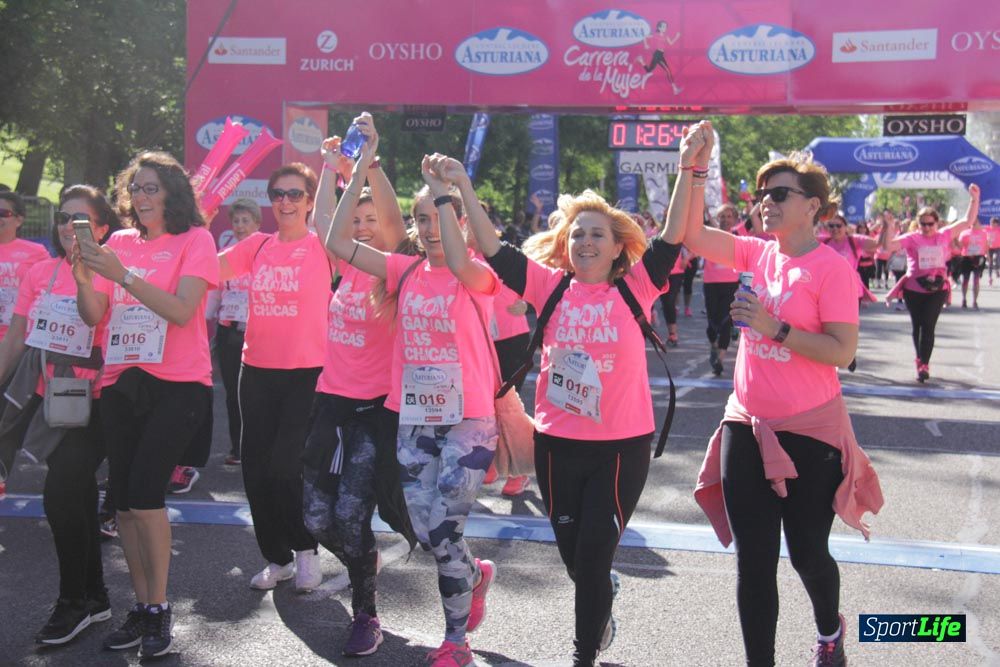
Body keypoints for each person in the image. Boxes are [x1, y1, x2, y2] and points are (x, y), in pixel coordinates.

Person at [450, 129, 685, 665]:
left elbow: (672, 237)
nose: (586, 243)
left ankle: (583, 654)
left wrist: (690, 169)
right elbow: (492, 248)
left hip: (622, 446)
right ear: (565, 244)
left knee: (596, 556)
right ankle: (602, 599)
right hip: (556, 445)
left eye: (597, 234)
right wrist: (462, 184)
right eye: (578, 235)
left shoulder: (636, 288)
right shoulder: (548, 287)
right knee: (579, 561)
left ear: (618, 244)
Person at [678, 126, 883, 667]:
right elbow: (689, 234)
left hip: (811, 431)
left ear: (812, 206)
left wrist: (776, 329)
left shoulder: (831, 268)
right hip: (745, 425)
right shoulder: (756, 253)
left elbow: (842, 351)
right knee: (754, 561)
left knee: (808, 554)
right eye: (762, 195)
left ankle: (829, 630)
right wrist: (693, 168)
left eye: (779, 194)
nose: (765, 203)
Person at [325, 115, 499, 667]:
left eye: (436, 217)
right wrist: (359, 166)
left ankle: (456, 643)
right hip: (414, 420)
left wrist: (447, 193)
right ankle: (474, 574)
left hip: (469, 422)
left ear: (460, 223)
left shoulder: (477, 277)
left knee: (445, 529)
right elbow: (334, 240)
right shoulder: (401, 271)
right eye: (420, 218)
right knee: (427, 531)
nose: (427, 228)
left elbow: (460, 249)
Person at [75, 151, 218, 658]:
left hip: (178, 383)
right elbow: (95, 315)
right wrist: (85, 274)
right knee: (126, 504)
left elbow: (182, 311)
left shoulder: (196, 240)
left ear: (173, 194)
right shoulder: (118, 242)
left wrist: (124, 276)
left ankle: (158, 608)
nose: (141, 197)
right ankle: (142, 607)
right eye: (136, 188)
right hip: (121, 380)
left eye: (152, 188)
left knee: (146, 494)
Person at [301, 128, 416, 657]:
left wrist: (370, 165)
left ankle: (365, 613)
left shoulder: (393, 271)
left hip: (374, 413)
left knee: (350, 515)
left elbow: (393, 224)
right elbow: (325, 222)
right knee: (316, 518)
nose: (366, 227)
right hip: (331, 403)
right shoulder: (343, 263)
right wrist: (331, 167)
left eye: (372, 221)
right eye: (359, 219)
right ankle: (363, 560)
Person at [0, 186, 119, 646]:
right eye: (65, 219)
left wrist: (86, 275)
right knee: (76, 495)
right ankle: (94, 596)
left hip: (99, 399)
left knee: (61, 493)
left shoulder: (108, 268)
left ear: (102, 228)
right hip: (51, 401)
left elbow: (97, 321)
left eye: (82, 220)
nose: (70, 227)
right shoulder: (39, 272)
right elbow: (16, 337)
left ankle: (73, 601)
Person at [218, 162, 334, 592]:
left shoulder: (324, 245)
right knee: (255, 470)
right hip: (257, 371)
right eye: (278, 194)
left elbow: (334, 214)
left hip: (306, 373)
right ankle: (276, 557)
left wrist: (336, 167)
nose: (285, 202)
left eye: (295, 194)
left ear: (308, 201)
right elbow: (206, 271)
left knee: (286, 468)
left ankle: (305, 549)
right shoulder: (257, 246)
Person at [880, 184, 980, 381]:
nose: (926, 228)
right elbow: (887, 246)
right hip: (914, 288)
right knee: (917, 326)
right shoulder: (911, 238)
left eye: (930, 224)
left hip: (937, 288)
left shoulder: (944, 235)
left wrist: (974, 199)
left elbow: (967, 221)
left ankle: (924, 364)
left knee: (928, 325)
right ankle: (920, 360)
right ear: (918, 224)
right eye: (923, 224)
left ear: (937, 223)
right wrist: (889, 226)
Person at [214, 198, 262, 466]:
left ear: (257, 223)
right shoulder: (225, 254)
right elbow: (213, 296)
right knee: (233, 393)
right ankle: (237, 447)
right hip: (228, 331)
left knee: (258, 393)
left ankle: (258, 446)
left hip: (258, 332)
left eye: (246, 221)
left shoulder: (266, 252)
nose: (241, 226)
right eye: (236, 221)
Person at [0, 191, 52, 340]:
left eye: (3, 213)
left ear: (19, 220)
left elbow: (51, 286)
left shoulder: (36, 252)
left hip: (18, 336)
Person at [702, 203, 743, 376]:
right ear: (717, 219)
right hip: (710, 282)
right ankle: (714, 346)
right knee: (712, 324)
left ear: (734, 219)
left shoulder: (739, 235)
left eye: (729, 216)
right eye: (722, 217)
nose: (726, 220)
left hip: (730, 283)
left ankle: (719, 359)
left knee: (726, 321)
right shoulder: (709, 234)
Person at [636, 20, 682, 95]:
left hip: (660, 54)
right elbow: (645, 37)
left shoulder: (665, 36)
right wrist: (646, 45)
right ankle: (675, 89)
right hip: (657, 54)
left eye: (666, 27)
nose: (665, 28)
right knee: (668, 70)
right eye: (663, 26)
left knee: (649, 70)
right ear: (659, 27)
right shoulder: (655, 35)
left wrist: (677, 37)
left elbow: (671, 43)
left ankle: (641, 61)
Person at [957, 216, 988, 309]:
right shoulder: (964, 233)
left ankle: (975, 301)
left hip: (978, 258)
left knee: (976, 280)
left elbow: (986, 245)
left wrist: (984, 255)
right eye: (973, 222)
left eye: (976, 222)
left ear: (979, 223)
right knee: (965, 280)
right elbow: (960, 246)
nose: (974, 224)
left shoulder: (983, 233)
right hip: (967, 258)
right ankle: (964, 299)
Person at [987, 217, 1000, 285]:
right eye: (991, 223)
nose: (993, 225)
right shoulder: (987, 228)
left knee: (997, 259)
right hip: (989, 248)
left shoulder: (998, 229)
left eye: (995, 224)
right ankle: (990, 277)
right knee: (990, 263)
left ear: (997, 224)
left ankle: (997, 269)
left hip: (998, 247)